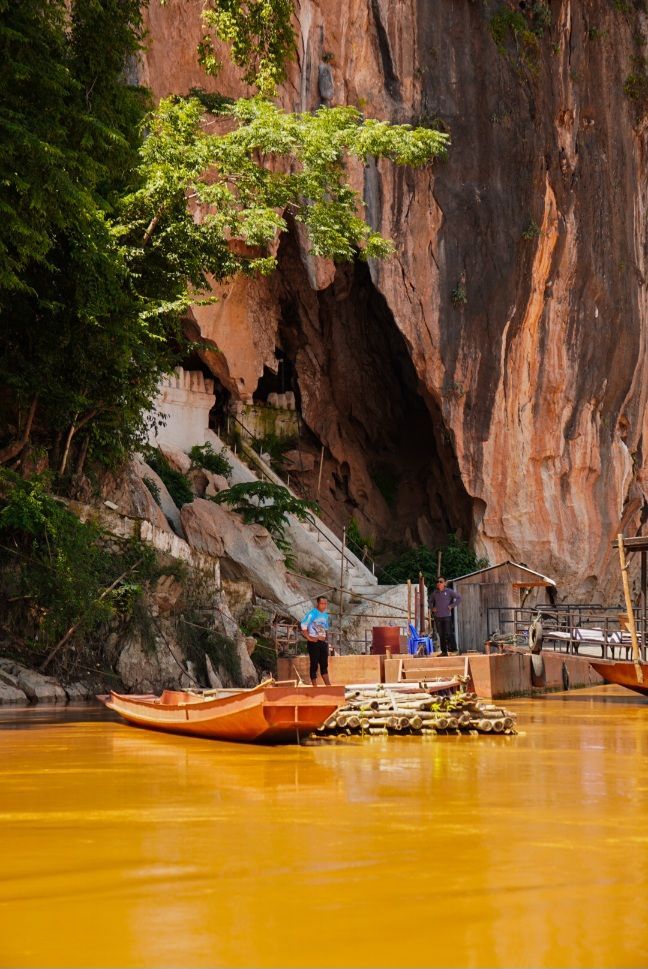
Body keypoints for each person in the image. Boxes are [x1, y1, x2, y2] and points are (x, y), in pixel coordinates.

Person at [300, 596, 332, 686]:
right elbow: (303, 625)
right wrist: (309, 637)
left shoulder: (325, 615)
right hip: (314, 642)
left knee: (324, 663)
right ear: (318, 603)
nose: (324, 605)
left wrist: (326, 640)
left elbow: (325, 628)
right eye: (322, 603)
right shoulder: (312, 614)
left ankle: (328, 685)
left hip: (323, 642)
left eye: (325, 603)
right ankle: (315, 685)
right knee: (314, 663)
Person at [429, 577, 462, 656]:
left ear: (444, 583)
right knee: (441, 634)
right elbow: (430, 601)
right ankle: (444, 652)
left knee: (449, 633)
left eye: (441, 582)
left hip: (447, 616)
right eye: (438, 582)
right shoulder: (435, 593)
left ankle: (455, 650)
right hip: (438, 617)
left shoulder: (449, 591)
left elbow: (459, 598)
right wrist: (432, 608)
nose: (439, 583)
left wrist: (452, 605)